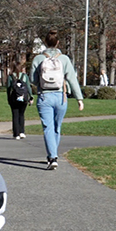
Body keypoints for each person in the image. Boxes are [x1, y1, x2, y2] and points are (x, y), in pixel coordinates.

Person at [31, 29, 84, 171]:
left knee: (48, 127)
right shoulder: (64, 59)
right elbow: (72, 79)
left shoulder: (38, 59)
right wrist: (79, 98)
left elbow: (33, 80)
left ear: (45, 42)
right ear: (58, 42)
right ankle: (54, 154)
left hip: (44, 97)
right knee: (57, 127)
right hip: (61, 97)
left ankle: (52, 157)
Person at [6, 63, 32, 140]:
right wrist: (31, 97)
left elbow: (8, 88)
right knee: (21, 115)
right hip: (24, 99)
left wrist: (8, 98)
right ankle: (22, 132)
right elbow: (28, 87)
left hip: (14, 99)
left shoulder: (10, 77)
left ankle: (16, 134)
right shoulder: (25, 76)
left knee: (15, 115)